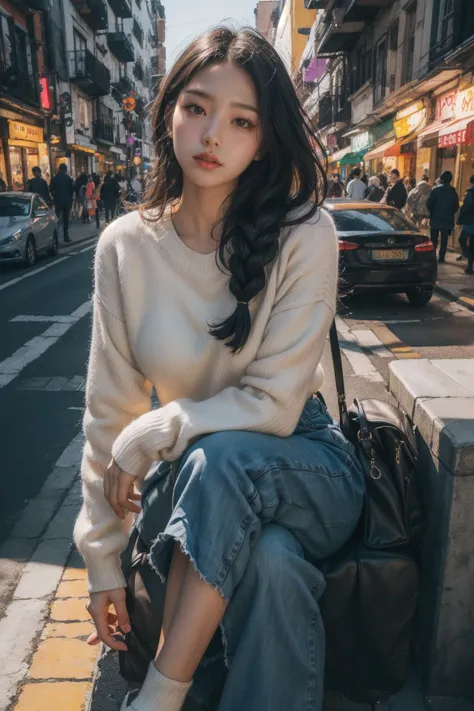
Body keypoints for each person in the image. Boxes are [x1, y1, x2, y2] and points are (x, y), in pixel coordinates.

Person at [73, 26, 364, 711]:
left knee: (219, 462)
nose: (212, 135)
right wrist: (101, 563)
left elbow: (272, 405)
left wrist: (159, 430)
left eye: (242, 121)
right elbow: (106, 411)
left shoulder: (304, 232)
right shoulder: (125, 247)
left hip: (305, 462)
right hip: (193, 486)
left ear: (265, 138)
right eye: (196, 107)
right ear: (168, 107)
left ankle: (160, 695)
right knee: (270, 562)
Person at [427, 170, 460, 263]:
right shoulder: (453, 191)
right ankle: (442, 258)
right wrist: (450, 212)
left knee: (433, 239)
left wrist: (433, 211)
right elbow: (456, 206)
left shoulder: (435, 190)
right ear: (450, 180)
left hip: (435, 218)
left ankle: (432, 256)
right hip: (447, 219)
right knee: (444, 240)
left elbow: (429, 203)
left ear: (441, 179)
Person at [50, 163, 74, 242]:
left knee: (56, 219)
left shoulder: (54, 178)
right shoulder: (69, 179)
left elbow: (50, 189)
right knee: (65, 219)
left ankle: (55, 237)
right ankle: (66, 237)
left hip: (58, 200)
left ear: (59, 169)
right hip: (67, 201)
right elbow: (72, 190)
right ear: (65, 169)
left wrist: (55, 195)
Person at [457, 174, 474, 274]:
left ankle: (470, 262)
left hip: (470, 221)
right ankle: (470, 265)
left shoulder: (470, 192)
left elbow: (465, 207)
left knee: (462, 240)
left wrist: (459, 218)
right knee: (472, 243)